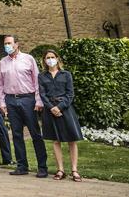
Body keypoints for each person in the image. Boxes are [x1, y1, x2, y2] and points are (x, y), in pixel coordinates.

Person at [0, 35, 48, 178]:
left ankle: (42, 167)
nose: (7, 45)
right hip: (11, 101)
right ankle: (22, 166)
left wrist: (38, 101)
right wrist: (2, 102)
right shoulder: (3, 62)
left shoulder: (28, 59)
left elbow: (36, 81)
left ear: (17, 44)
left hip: (28, 99)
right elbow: (0, 84)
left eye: (9, 43)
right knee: (17, 135)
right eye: (5, 43)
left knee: (35, 134)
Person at [38, 50, 83, 182]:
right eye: (48, 58)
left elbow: (70, 94)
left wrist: (60, 107)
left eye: (52, 57)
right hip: (50, 110)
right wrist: (52, 107)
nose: (50, 59)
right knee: (56, 140)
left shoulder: (66, 74)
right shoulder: (42, 76)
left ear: (57, 59)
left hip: (66, 109)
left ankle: (74, 170)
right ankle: (60, 170)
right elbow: (42, 94)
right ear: (44, 61)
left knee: (72, 140)